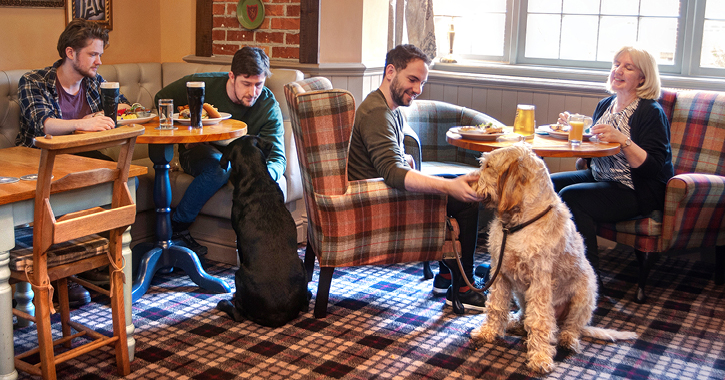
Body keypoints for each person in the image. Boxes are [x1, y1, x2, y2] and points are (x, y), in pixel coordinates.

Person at [347, 44, 488, 311]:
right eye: (413, 79)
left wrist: (404, 159)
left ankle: (446, 276)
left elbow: (391, 160)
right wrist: (447, 186)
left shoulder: (389, 107)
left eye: (422, 82)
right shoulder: (377, 113)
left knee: (461, 181)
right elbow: (393, 173)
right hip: (378, 202)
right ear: (391, 71)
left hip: (386, 191)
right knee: (466, 199)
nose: (418, 89)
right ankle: (463, 289)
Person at [16, 18, 131, 307]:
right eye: (93, 54)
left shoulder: (95, 83)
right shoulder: (34, 81)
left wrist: (125, 112)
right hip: (40, 162)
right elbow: (44, 124)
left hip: (81, 160)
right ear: (70, 53)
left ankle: (98, 269)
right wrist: (84, 123)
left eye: (100, 54)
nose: (99, 61)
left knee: (124, 181)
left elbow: (125, 109)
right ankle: (72, 274)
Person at [551, 46, 674, 286]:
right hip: (599, 177)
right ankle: (553, 266)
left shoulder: (650, 111)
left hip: (635, 189)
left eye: (628, 67)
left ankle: (587, 282)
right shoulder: (605, 104)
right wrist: (572, 130)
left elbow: (654, 168)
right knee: (548, 184)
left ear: (643, 77)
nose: (618, 70)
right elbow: (593, 151)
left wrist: (623, 140)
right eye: (616, 64)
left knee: (572, 197)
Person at [154, 47, 285, 256]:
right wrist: (187, 132)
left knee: (230, 167)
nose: (253, 92)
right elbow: (162, 99)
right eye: (246, 84)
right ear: (231, 76)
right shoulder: (202, 84)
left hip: (241, 161)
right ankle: (177, 226)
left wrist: (264, 178)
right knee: (221, 168)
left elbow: (277, 157)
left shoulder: (268, 106)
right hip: (197, 153)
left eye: (259, 84)